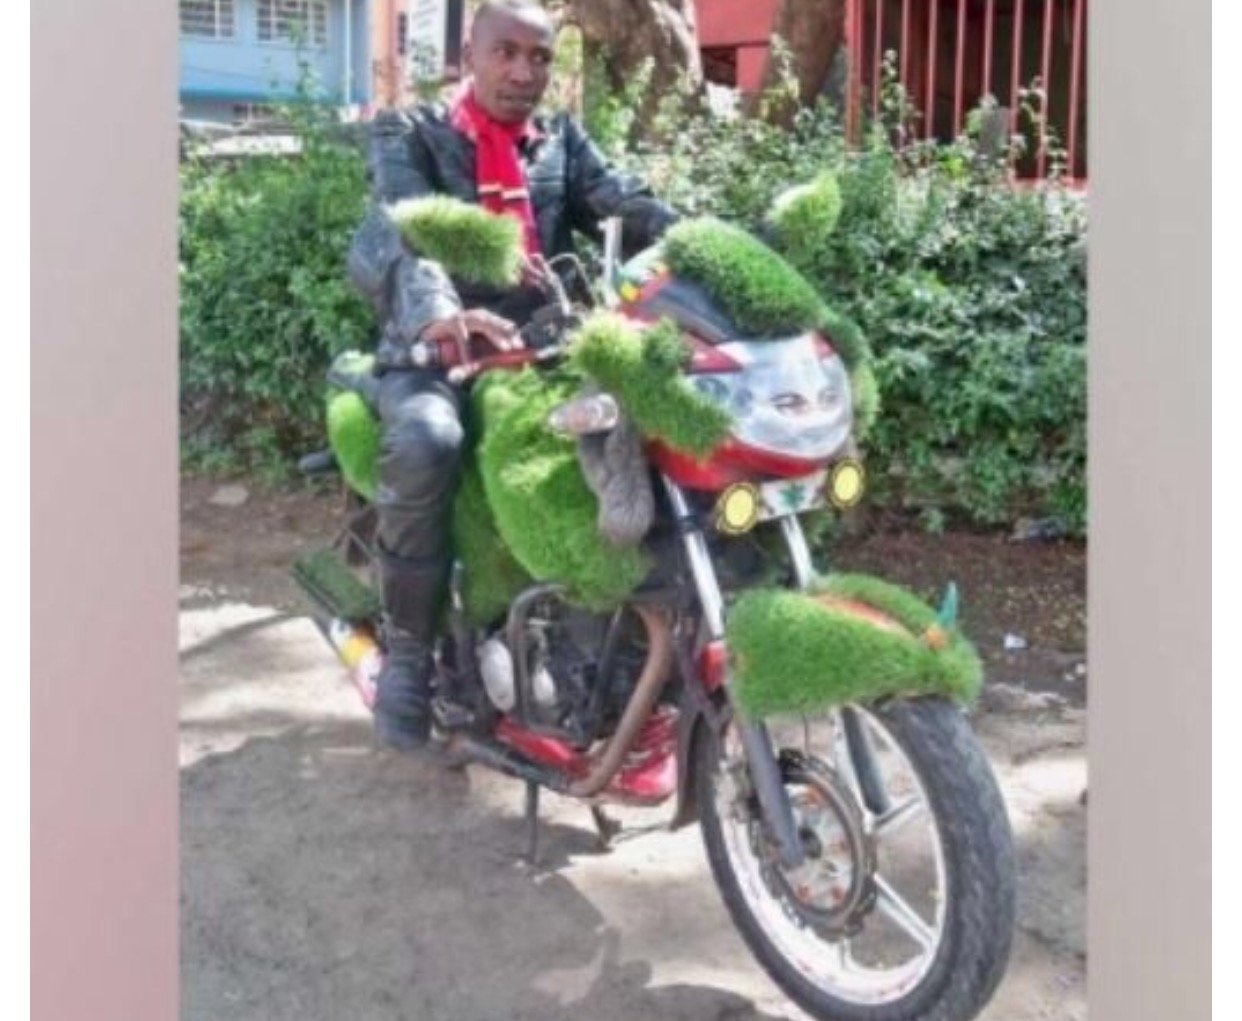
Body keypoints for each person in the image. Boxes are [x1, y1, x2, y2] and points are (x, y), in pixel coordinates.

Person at [347, 0, 677, 752]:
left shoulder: (560, 140)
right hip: (440, 347)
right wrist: (440, 313)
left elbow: (625, 203)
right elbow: (408, 219)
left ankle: (620, 646)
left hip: (542, 346)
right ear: (471, 53)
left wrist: (712, 245)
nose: (525, 72)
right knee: (429, 439)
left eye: (540, 58)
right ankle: (405, 655)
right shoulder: (411, 132)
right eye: (508, 53)